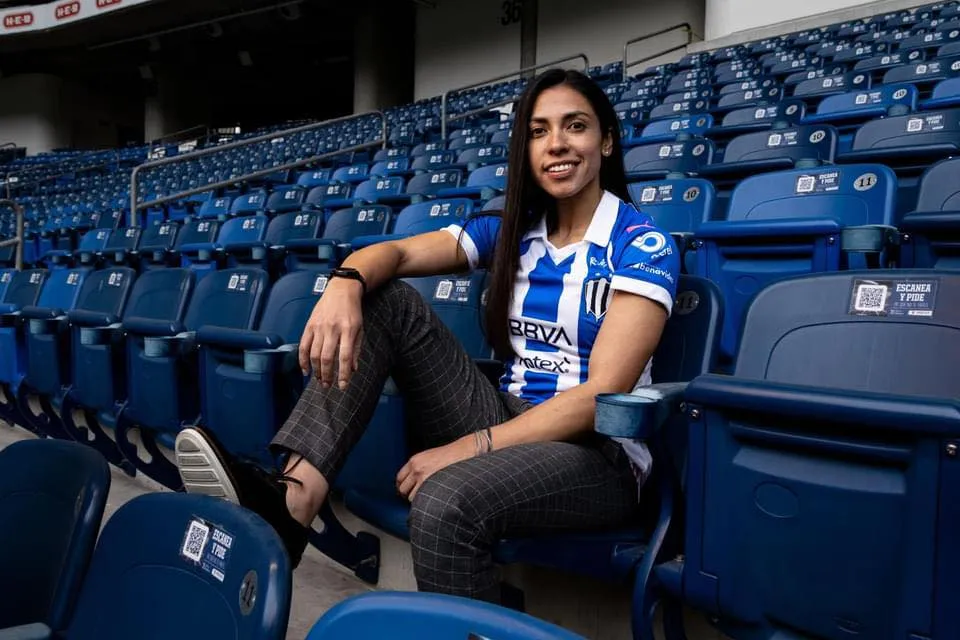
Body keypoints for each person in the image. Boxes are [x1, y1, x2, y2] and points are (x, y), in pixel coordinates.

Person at [174, 68, 681, 604]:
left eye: (574, 126)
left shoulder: (641, 245)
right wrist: (344, 282)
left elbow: (601, 394)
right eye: (538, 131)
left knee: (444, 499)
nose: (556, 144)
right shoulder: (511, 231)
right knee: (382, 295)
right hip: (507, 412)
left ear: (605, 139)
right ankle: (294, 500)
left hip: (596, 453)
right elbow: (395, 254)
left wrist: (467, 447)